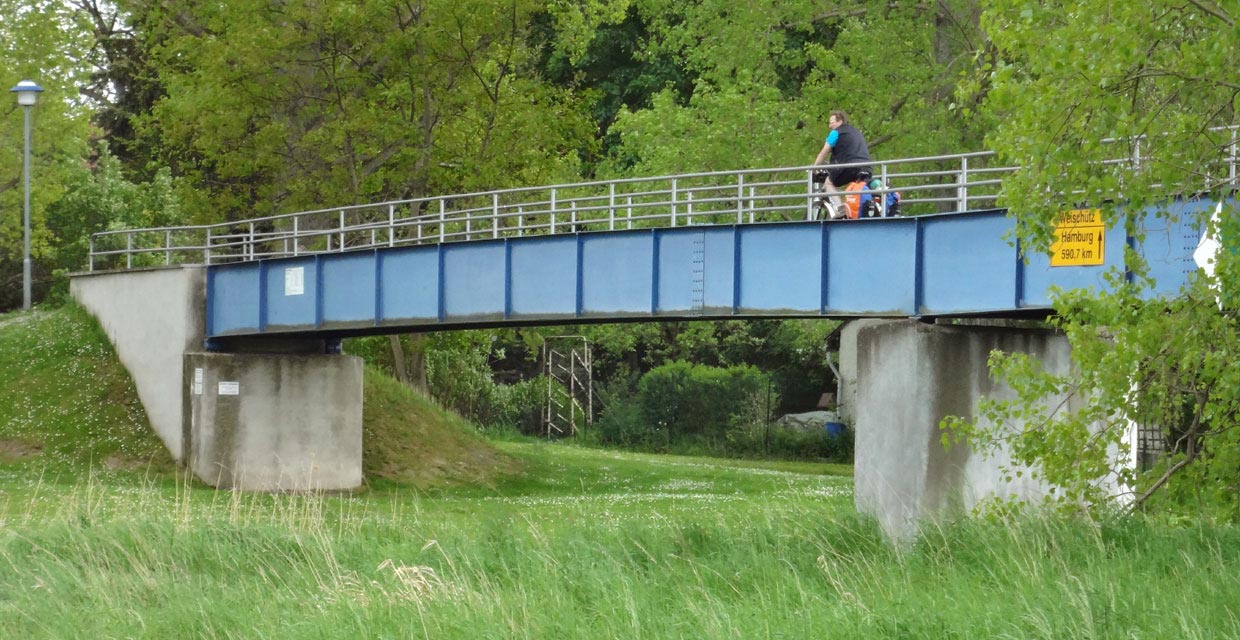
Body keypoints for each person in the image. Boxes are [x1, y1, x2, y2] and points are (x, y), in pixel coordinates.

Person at [811, 110, 872, 219]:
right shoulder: (856, 131)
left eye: (831, 122)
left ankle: (841, 209)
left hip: (849, 166)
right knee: (856, 187)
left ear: (840, 121)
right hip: (867, 166)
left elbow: (823, 153)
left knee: (829, 183)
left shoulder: (836, 133)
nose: (830, 126)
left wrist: (814, 168)